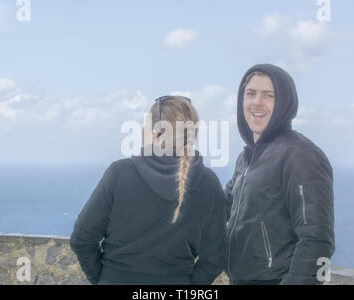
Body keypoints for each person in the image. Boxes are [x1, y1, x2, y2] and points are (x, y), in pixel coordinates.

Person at [70, 96, 227, 285]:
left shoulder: (120, 173)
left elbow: (81, 239)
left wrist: (104, 279)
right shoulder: (209, 183)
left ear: (154, 133)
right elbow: (216, 258)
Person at [225, 64, 335, 285]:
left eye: (269, 95)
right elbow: (220, 208)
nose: (257, 102)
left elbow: (317, 239)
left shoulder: (301, 156)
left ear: (285, 103)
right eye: (251, 94)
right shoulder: (245, 158)